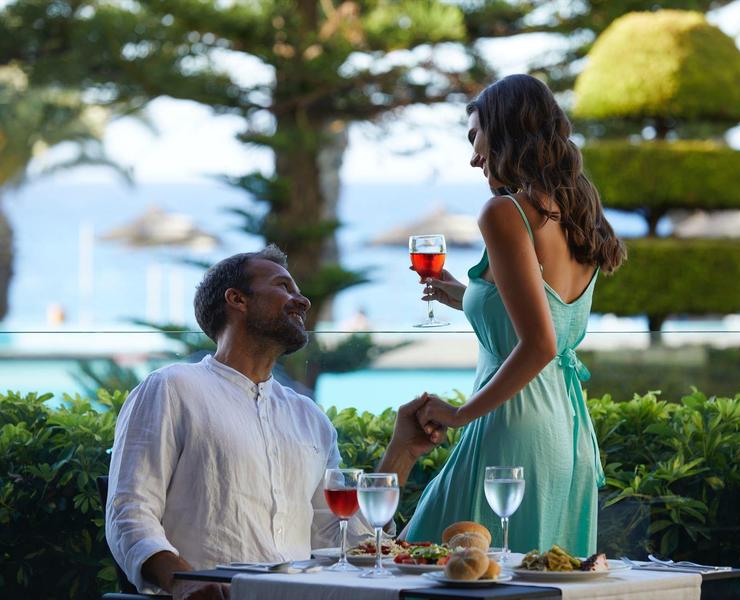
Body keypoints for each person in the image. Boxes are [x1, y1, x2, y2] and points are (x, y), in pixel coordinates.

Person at [106, 245, 444, 600]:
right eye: (284, 286)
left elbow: (342, 541)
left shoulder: (309, 417)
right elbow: (130, 512)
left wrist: (402, 452)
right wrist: (183, 582)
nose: (304, 301)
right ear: (237, 299)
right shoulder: (172, 388)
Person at [404, 74, 626, 557]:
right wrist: (467, 297)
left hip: (510, 428)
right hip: (565, 432)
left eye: (475, 137)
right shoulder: (577, 214)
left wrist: (459, 414)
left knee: (425, 561)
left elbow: (540, 344)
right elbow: (546, 317)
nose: (474, 157)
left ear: (504, 130)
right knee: (529, 578)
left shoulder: (504, 212)